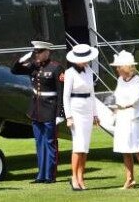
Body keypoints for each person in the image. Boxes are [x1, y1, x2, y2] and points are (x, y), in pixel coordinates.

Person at [11, 41, 65, 183]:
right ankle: (41, 175)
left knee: (50, 143)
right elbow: (14, 71)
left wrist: (60, 113)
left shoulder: (56, 67)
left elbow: (61, 92)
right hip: (36, 110)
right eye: (35, 52)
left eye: (39, 52)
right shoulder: (33, 66)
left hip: (50, 109)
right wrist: (21, 60)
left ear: (47, 52)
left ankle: (50, 175)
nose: (37, 55)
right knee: (39, 143)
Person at [63, 43, 99, 191]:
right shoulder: (70, 73)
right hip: (76, 109)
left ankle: (81, 177)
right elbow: (65, 97)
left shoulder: (89, 71)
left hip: (88, 108)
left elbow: (92, 93)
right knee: (78, 146)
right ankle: (74, 178)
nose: (86, 61)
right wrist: (69, 116)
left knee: (85, 147)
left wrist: (95, 114)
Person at [110, 50, 139, 189]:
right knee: (124, 149)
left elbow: (136, 97)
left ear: (125, 67)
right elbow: (118, 96)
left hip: (134, 117)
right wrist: (116, 108)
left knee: (138, 149)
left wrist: (123, 105)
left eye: (119, 67)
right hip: (122, 117)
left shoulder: (137, 80)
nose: (117, 69)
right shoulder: (120, 80)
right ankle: (130, 178)